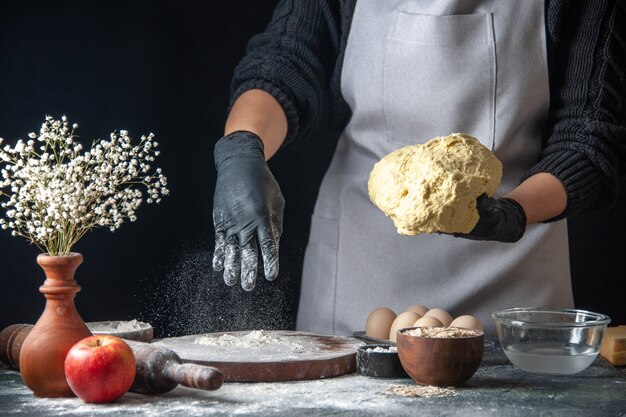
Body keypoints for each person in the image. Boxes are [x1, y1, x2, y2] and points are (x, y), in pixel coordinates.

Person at [212, 0, 625, 335]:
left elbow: (589, 132)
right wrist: (243, 145)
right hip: (363, 277)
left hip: (513, 288)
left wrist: (513, 214)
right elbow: (284, 60)